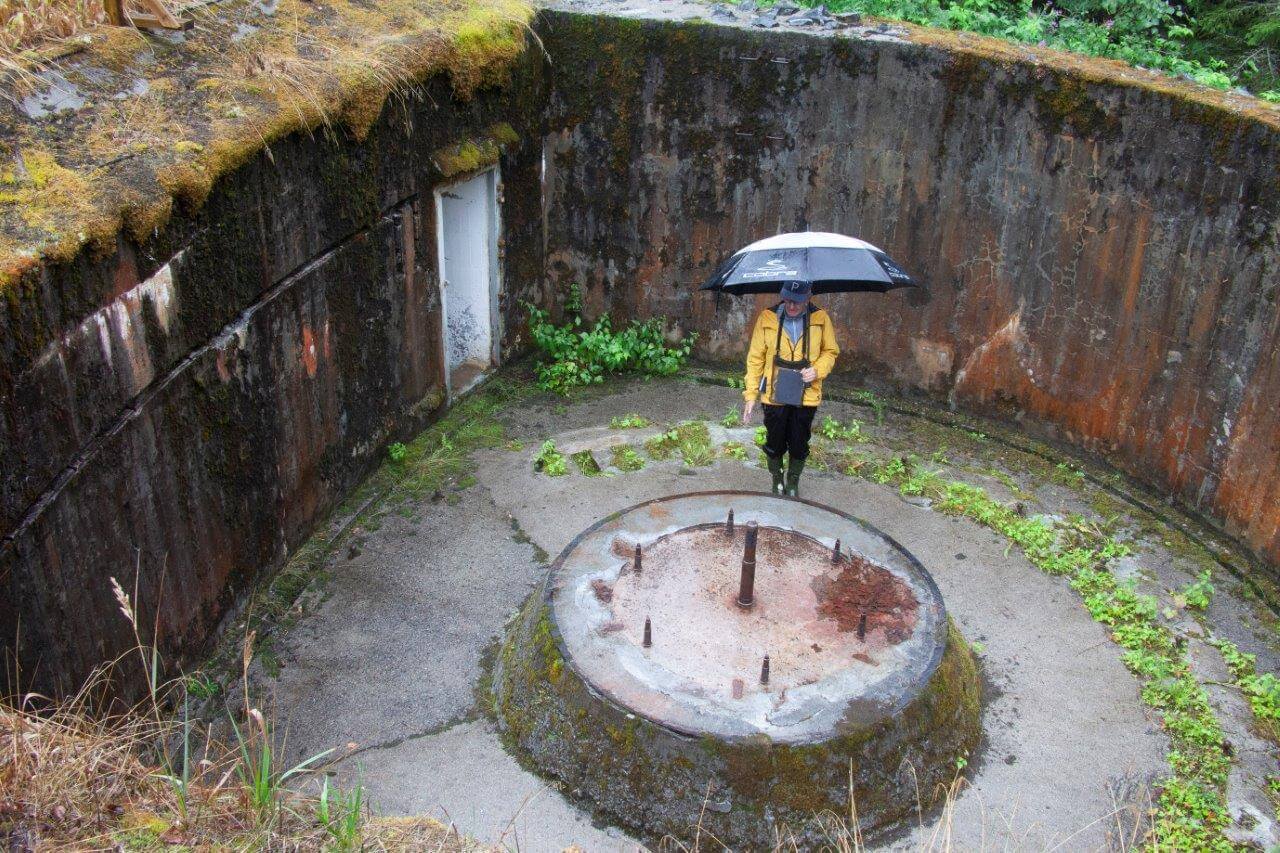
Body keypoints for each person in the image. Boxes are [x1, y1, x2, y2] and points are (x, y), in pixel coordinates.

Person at [741, 280, 840, 497]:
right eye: (787, 300)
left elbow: (830, 351)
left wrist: (817, 370)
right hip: (773, 393)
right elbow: (755, 358)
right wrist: (751, 395)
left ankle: (793, 482)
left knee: (799, 442)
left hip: (806, 393)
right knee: (774, 441)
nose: (792, 306)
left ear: (808, 297)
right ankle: (777, 480)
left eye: (797, 301)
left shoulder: (820, 318)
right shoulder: (767, 317)